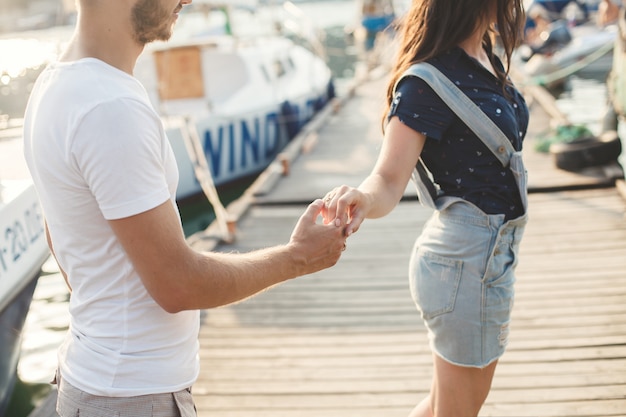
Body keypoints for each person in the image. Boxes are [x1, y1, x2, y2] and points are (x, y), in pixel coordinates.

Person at [22, 0, 347, 415]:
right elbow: (177, 285)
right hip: (131, 397)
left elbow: (64, 246)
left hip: (98, 381)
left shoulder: (55, 84)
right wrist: (298, 258)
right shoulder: (110, 107)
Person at [322, 0, 528, 416]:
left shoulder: (484, 55)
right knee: (458, 408)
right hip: (465, 263)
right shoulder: (427, 81)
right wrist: (362, 198)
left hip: (485, 259)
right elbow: (388, 177)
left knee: (446, 405)